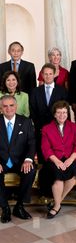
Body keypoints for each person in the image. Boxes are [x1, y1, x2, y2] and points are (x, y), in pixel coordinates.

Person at [40, 101, 76, 218]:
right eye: (59, 112)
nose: (62, 115)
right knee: (58, 178)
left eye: (64, 112)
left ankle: (56, 204)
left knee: (74, 174)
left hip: (72, 158)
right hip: (54, 160)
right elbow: (46, 148)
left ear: (67, 114)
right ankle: (57, 206)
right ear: (54, 114)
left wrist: (70, 159)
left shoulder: (74, 126)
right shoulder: (46, 129)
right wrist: (57, 161)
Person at [0, 95, 35, 223]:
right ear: (1, 108)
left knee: (30, 171)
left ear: (16, 106)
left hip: (20, 160)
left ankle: (19, 206)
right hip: (2, 161)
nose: (8, 108)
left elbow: (31, 143)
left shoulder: (25, 122)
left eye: (11, 105)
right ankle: (5, 208)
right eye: (5, 106)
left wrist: (28, 159)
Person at [29, 63, 68, 164]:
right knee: (43, 157)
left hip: (57, 129)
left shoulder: (62, 90)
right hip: (40, 129)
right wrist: (40, 126)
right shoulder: (35, 91)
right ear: (42, 75)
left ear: (54, 74)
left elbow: (64, 111)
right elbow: (32, 110)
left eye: (50, 74)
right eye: (45, 74)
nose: (48, 76)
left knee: (57, 157)